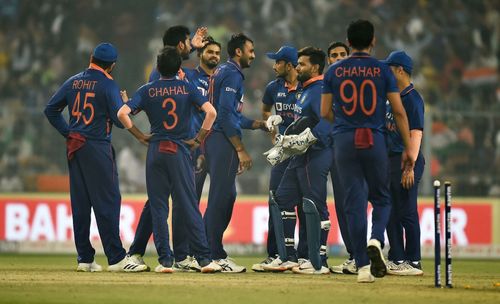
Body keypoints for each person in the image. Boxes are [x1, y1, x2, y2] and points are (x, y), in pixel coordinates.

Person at [321, 20, 414, 283]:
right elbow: (398, 111)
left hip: (344, 140)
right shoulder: (383, 71)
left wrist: (342, 126)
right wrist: (408, 147)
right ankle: (376, 238)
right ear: (373, 40)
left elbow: (324, 111)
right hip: (374, 139)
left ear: (348, 43)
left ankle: (362, 267)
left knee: (354, 203)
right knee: (382, 198)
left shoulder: (334, 71)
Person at [44, 43, 147, 273]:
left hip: (75, 147)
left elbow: (50, 109)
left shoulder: (72, 81)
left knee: (81, 203)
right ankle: (117, 258)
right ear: (112, 66)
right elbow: (121, 121)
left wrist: (69, 132)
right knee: (108, 201)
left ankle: (85, 258)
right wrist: (127, 104)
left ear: (91, 58)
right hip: (97, 146)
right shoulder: (108, 85)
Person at [117, 46, 221, 274]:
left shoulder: (147, 89)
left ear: (158, 67)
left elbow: (122, 113)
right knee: (188, 205)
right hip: (180, 150)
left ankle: (165, 261)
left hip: (155, 151)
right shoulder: (187, 87)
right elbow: (211, 112)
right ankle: (204, 259)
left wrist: (140, 135)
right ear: (178, 68)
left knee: (158, 207)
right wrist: (198, 139)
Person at [264, 46, 333, 275]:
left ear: (314, 67)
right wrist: (286, 145)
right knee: (281, 198)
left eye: (302, 64)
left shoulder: (322, 88)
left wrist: (309, 137)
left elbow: (330, 120)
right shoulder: (306, 89)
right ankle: (289, 257)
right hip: (299, 156)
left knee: (315, 205)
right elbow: (299, 122)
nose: (298, 67)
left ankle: (319, 261)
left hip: (317, 154)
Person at [204, 33, 267, 272]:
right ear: (239, 52)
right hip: (222, 140)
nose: (253, 54)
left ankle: (208, 250)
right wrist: (240, 149)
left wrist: (256, 124)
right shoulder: (231, 74)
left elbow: (233, 114)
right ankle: (212, 255)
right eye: (250, 50)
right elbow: (225, 115)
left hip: (217, 138)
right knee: (221, 197)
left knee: (226, 196)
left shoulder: (223, 71)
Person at [251, 45, 308, 272]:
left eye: (278, 62)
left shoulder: (307, 87)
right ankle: (275, 254)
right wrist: (272, 128)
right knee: (275, 200)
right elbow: (266, 110)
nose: (274, 66)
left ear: (289, 65)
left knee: (304, 205)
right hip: (283, 153)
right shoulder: (273, 87)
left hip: (304, 153)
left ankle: (304, 256)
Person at [382, 50, 425, 276]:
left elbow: (416, 134)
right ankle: (397, 257)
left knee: (407, 211)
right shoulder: (393, 97)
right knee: (389, 212)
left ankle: (414, 260)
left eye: (389, 68)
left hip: (408, 161)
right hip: (390, 161)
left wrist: (409, 166)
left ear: (400, 70)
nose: (386, 72)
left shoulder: (412, 99)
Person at [324, 41, 357, 275]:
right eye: (334, 55)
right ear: (328, 60)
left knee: (355, 202)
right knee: (343, 204)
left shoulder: (360, 81)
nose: (338, 58)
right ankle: (355, 255)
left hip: (357, 149)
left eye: (342, 54)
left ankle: (365, 253)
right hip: (335, 149)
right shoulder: (327, 83)